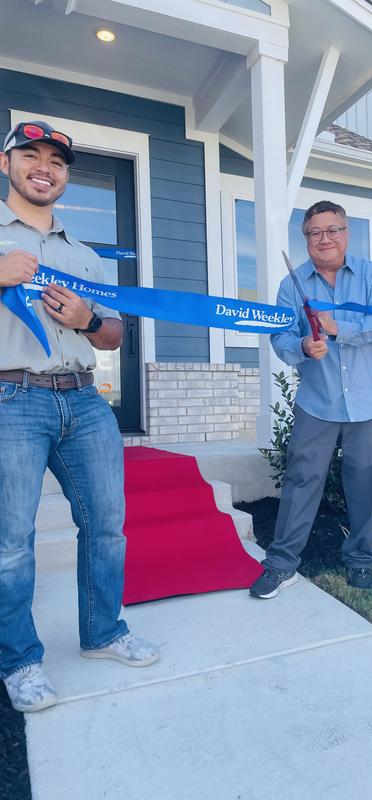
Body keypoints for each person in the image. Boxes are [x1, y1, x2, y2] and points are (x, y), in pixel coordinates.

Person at [0, 120, 159, 713]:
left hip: (86, 401)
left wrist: (86, 322)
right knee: (11, 542)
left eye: (57, 162)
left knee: (107, 526)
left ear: (66, 176)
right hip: (11, 398)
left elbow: (114, 332)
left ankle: (103, 633)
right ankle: (19, 661)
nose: (45, 167)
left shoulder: (84, 256)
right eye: (31, 155)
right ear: (6, 162)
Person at [249, 200, 372, 599]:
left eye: (332, 230)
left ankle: (361, 560)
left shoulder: (370, 276)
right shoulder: (291, 285)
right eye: (315, 232)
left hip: (367, 401)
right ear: (307, 239)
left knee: (367, 481)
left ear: (346, 234)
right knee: (300, 480)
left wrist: (336, 328)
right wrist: (303, 344)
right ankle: (281, 564)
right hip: (317, 400)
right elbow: (279, 339)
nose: (324, 238)